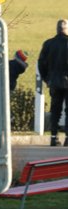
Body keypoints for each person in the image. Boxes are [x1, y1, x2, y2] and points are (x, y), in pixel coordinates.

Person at [38, 19, 68, 147]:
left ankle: (53, 137)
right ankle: (67, 138)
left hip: (54, 82)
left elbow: (41, 64)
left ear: (57, 29)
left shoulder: (48, 44)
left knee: (55, 111)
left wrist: (47, 79)